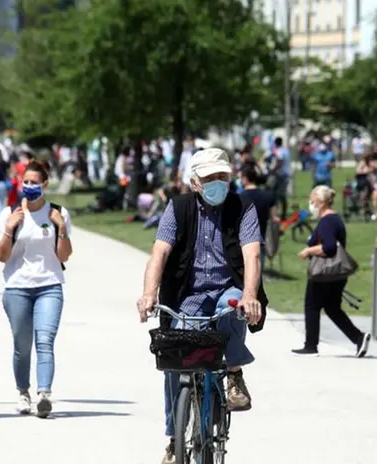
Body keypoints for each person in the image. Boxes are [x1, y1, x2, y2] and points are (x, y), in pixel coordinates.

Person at [135, 148, 266, 464]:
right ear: (195, 182)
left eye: (222, 176)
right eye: (209, 178)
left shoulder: (242, 207)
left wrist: (250, 294)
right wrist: (148, 294)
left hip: (228, 286)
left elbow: (252, 255)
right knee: (174, 357)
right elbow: (159, 254)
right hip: (189, 295)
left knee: (232, 306)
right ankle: (173, 437)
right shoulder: (178, 208)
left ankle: (234, 373)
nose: (216, 183)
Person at [0, 161, 73, 418]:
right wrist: (8, 228)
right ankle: (23, 393)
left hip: (49, 285)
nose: (29, 186)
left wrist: (61, 227)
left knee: (45, 341)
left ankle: (44, 395)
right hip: (17, 287)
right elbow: (2, 257)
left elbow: (65, 255)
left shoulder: (58, 213)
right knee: (22, 345)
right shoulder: (10, 214)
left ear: (45, 184)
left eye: (34, 182)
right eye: (25, 182)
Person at [292, 185, 372, 357]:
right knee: (332, 308)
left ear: (321, 202)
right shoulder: (336, 219)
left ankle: (310, 346)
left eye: (312, 201)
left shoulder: (327, 221)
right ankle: (358, 338)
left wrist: (308, 251)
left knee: (312, 306)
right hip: (337, 273)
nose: (310, 204)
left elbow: (329, 247)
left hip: (323, 273)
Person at [239, 164, 277, 272]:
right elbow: (274, 218)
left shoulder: (239, 196)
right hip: (261, 237)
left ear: (245, 179)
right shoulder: (268, 196)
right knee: (258, 271)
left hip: (243, 239)